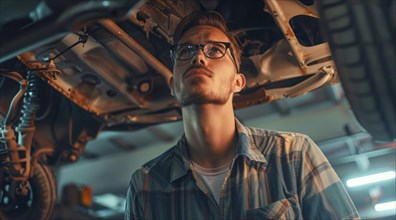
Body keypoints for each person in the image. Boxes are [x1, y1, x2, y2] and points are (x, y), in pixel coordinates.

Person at [125, 11, 360, 220]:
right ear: (172, 85)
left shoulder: (294, 155)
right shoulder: (145, 185)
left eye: (215, 49)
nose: (199, 57)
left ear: (238, 82)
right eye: (186, 50)